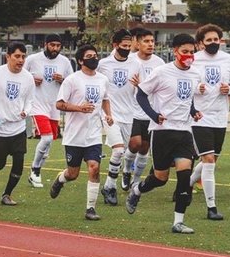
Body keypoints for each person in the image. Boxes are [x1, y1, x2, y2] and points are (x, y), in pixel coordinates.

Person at [125, 33, 203, 234]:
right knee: (160, 179)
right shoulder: (161, 72)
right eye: (184, 52)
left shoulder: (195, 74)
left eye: (192, 52)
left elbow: (187, 98)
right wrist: (154, 115)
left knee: (185, 177)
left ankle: (178, 222)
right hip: (161, 132)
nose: (189, 56)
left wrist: (193, 111)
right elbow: (141, 94)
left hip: (184, 131)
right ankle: (137, 190)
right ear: (175, 51)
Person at [50, 44, 113, 220]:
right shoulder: (72, 80)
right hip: (74, 135)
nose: (94, 58)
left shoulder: (102, 79)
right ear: (80, 60)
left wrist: (108, 115)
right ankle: (60, 180)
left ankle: (90, 209)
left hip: (93, 134)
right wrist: (79, 108)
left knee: (94, 167)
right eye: (89, 56)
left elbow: (105, 99)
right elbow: (59, 104)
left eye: (95, 55)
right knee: (73, 173)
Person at [190, 24, 230, 220]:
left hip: (221, 117)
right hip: (199, 117)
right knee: (209, 160)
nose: (213, 43)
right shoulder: (194, 60)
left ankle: (187, 182)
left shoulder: (228, 59)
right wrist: (197, 87)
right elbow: (185, 82)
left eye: (216, 39)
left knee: (211, 160)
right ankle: (211, 207)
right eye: (209, 40)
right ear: (201, 42)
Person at [98, 29, 142, 206]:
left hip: (129, 113)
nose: (126, 49)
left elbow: (141, 88)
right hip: (110, 114)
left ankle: (115, 180)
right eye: (123, 46)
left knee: (126, 150)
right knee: (118, 150)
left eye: (129, 46)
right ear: (115, 45)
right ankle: (110, 187)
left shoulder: (135, 63)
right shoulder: (103, 64)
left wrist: (140, 86)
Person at [25, 34, 73, 187]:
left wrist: (63, 80)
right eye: (52, 45)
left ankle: (36, 171)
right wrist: (31, 80)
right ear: (45, 44)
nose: (55, 49)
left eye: (58, 46)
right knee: (46, 138)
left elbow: (72, 83)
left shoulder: (65, 62)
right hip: (38, 105)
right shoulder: (33, 59)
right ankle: (35, 170)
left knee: (49, 142)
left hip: (55, 106)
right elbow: (20, 75)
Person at [122, 29, 165, 190]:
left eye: (152, 41)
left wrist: (143, 84)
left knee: (145, 148)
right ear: (137, 43)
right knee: (135, 144)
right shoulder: (130, 60)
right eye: (146, 41)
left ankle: (136, 179)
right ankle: (126, 170)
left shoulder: (159, 63)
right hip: (133, 110)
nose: (150, 44)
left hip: (150, 111)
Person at [0, 42, 35, 205]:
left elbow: (30, 100)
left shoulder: (28, 77)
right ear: (8, 57)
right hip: (0, 129)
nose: (21, 60)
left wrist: (26, 112)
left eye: (23, 57)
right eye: (17, 56)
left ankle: (7, 195)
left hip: (18, 128)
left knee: (19, 163)